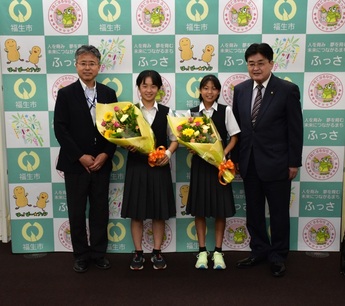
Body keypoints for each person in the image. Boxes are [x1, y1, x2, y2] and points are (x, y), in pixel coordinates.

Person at [232, 43, 303, 277]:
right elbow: (237, 130)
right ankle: (259, 250)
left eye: (260, 63)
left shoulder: (287, 90)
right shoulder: (240, 90)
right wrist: (235, 159)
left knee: (279, 213)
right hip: (249, 163)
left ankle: (278, 256)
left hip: (278, 163)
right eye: (251, 63)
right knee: (253, 212)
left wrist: (294, 162)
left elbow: (295, 129)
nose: (255, 68)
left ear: (271, 64)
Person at [54, 45, 117, 273]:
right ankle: (80, 255)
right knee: (77, 210)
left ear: (99, 67)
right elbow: (60, 129)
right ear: (76, 65)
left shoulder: (109, 94)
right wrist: (80, 156)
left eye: (92, 63)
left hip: (101, 163)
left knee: (100, 209)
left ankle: (99, 253)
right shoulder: (65, 93)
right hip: (75, 164)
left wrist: (105, 154)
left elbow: (116, 130)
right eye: (83, 63)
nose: (87, 67)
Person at [120, 70, 178, 270]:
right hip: (136, 166)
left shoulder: (167, 112)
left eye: (153, 86)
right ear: (138, 88)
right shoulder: (130, 112)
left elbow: (174, 139)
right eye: (144, 86)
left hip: (159, 167)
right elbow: (121, 136)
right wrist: (127, 144)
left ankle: (157, 251)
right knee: (136, 213)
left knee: (158, 212)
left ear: (159, 89)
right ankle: (137, 253)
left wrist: (168, 155)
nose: (149, 90)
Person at [186, 74, 240, 270]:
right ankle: (202, 252)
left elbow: (234, 137)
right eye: (205, 88)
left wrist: (223, 153)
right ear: (200, 91)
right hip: (200, 167)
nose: (209, 92)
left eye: (213, 88)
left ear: (218, 91)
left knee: (220, 210)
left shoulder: (225, 111)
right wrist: (192, 147)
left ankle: (218, 252)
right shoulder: (192, 113)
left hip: (220, 167)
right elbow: (187, 139)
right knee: (199, 209)